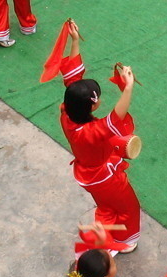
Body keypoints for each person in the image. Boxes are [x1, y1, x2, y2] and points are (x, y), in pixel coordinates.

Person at [55, 23, 143, 250]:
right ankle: (122, 241)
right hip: (104, 176)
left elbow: (73, 79)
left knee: (106, 207)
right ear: (92, 105)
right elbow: (115, 118)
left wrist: (74, 42)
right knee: (127, 207)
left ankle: (101, 241)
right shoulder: (90, 132)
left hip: (89, 173)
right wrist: (128, 88)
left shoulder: (67, 112)